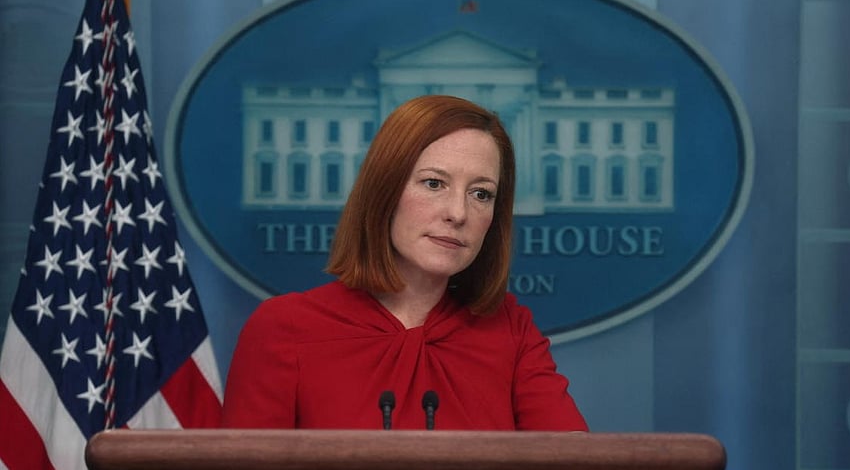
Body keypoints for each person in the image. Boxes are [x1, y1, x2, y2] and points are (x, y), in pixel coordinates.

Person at [222, 95, 587, 431]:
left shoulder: (511, 329)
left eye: (481, 193)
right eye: (433, 183)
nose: (458, 213)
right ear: (385, 190)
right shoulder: (284, 328)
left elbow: (573, 459)